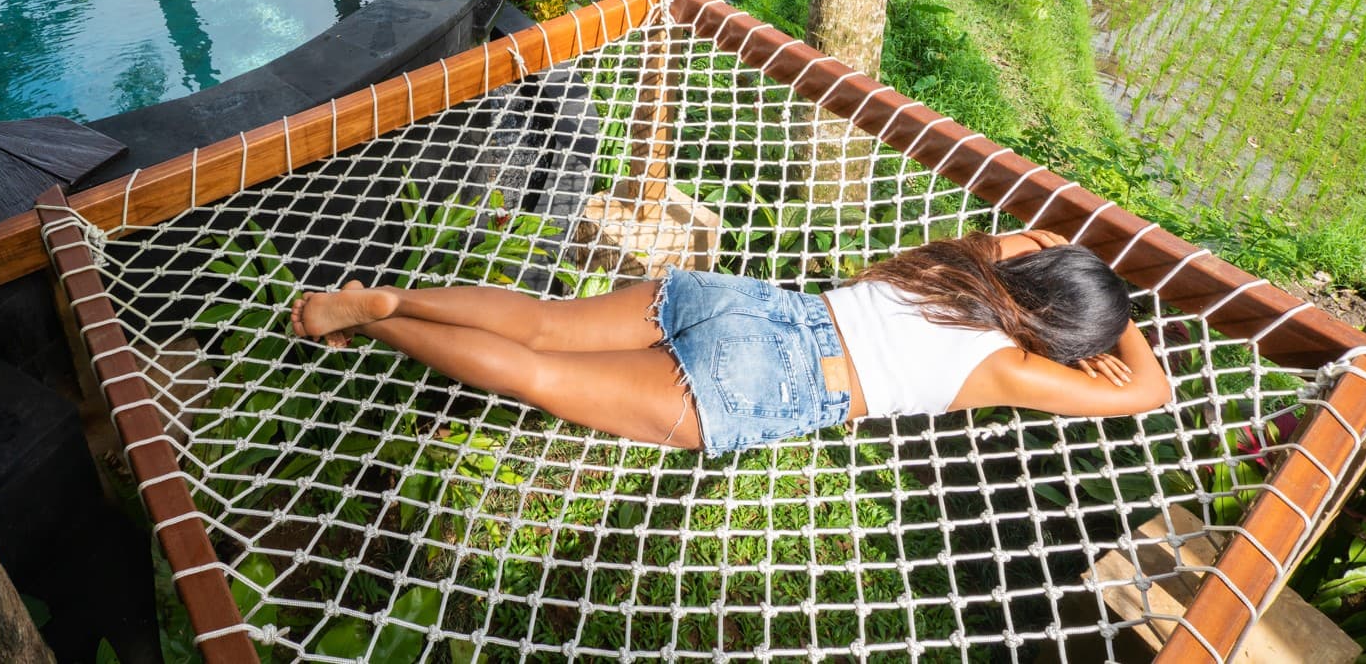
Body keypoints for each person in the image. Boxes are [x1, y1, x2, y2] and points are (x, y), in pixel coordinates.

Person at [289, 229, 1173, 454]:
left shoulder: (963, 265)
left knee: (546, 319)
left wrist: (1070, 275)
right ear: (1058, 333)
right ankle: (388, 326)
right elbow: (1149, 392)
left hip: (759, 305)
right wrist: (1113, 328)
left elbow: (1026, 243)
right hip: (771, 381)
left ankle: (385, 296)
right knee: (536, 374)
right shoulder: (1008, 368)